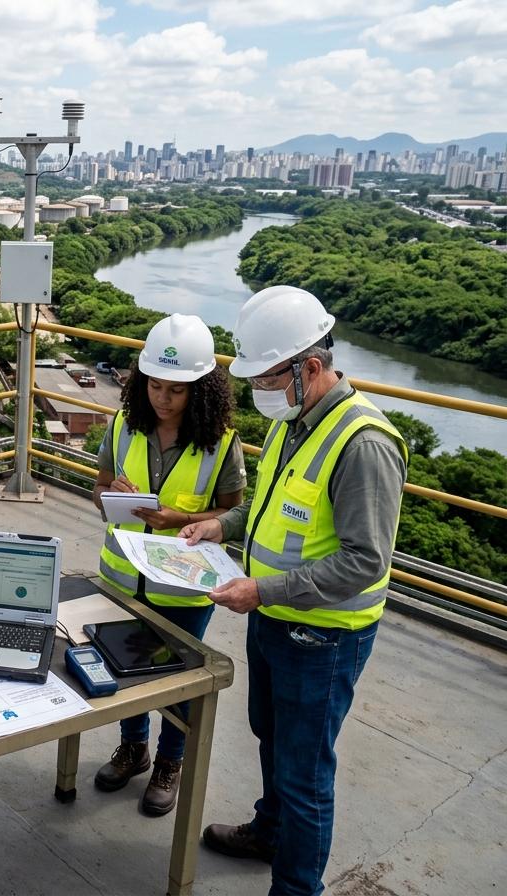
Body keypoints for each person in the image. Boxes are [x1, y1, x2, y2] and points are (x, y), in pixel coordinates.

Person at [180, 286, 407, 896]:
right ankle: (269, 831)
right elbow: (271, 504)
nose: (260, 392)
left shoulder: (364, 445)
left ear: (310, 367)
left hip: (323, 638)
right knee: (272, 739)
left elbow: (364, 561)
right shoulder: (298, 422)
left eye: (268, 377)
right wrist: (220, 525)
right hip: (273, 617)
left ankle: (296, 886)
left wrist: (264, 588)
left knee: (306, 773)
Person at [92, 313, 246, 816]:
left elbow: (234, 513)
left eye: (176, 391)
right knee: (126, 671)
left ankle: (168, 762)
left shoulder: (221, 443)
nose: (163, 398)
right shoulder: (122, 425)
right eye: (155, 386)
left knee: (178, 682)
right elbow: (99, 486)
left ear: (199, 391)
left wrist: (180, 517)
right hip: (122, 578)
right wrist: (109, 494)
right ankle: (133, 748)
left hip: (182, 589)